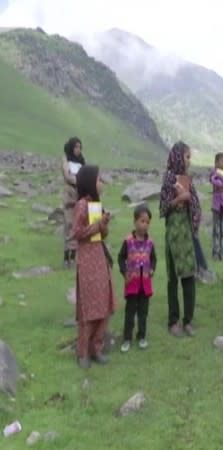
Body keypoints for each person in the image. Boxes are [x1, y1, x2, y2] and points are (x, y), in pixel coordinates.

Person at [72, 165, 116, 368]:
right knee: (88, 305)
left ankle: (97, 347)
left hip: (99, 257)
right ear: (90, 182)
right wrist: (97, 226)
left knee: (103, 303)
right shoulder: (81, 205)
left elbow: (101, 235)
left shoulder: (96, 205)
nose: (102, 183)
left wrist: (104, 224)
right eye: (99, 179)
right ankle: (83, 353)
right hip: (87, 260)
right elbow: (78, 233)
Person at [159, 141, 199, 338]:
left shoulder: (188, 179)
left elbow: (196, 205)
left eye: (190, 157)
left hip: (187, 233)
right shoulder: (168, 179)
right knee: (173, 278)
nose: (189, 161)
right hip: (173, 234)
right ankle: (173, 321)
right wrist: (178, 200)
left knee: (189, 276)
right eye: (187, 156)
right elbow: (162, 209)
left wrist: (189, 198)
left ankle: (188, 320)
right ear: (177, 157)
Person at [117, 204, 157, 352]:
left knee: (143, 313)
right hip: (132, 284)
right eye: (142, 221)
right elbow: (121, 258)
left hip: (145, 285)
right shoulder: (128, 241)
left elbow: (154, 259)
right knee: (130, 312)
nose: (144, 225)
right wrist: (124, 272)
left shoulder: (150, 243)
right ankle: (127, 338)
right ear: (135, 221)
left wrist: (152, 269)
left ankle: (142, 337)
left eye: (147, 222)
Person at [62, 137, 85, 269]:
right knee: (69, 223)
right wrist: (79, 180)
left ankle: (74, 255)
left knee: (77, 223)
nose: (78, 150)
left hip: (79, 196)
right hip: (69, 196)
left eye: (80, 147)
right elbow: (67, 176)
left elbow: (85, 174)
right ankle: (66, 256)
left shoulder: (82, 161)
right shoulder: (65, 159)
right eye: (76, 147)